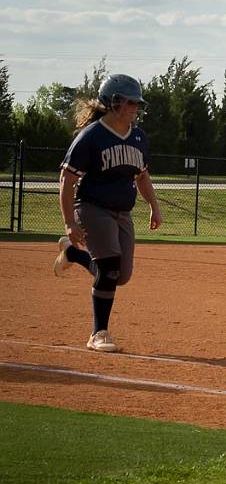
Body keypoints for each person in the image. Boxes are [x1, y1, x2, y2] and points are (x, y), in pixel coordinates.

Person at [53, 74, 163, 352]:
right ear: (113, 102)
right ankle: (98, 333)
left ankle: (72, 254)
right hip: (92, 208)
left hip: (122, 213)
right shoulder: (92, 136)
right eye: (130, 102)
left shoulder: (138, 137)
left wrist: (153, 205)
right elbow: (67, 180)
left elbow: (143, 176)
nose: (135, 108)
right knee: (110, 268)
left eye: (137, 103)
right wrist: (69, 222)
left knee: (120, 274)